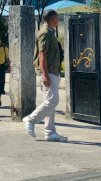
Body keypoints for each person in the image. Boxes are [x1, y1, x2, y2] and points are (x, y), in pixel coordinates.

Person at [22, 10, 68, 142]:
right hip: (48, 72)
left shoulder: (50, 32)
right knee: (53, 101)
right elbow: (42, 55)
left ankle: (50, 132)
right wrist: (45, 74)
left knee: (50, 104)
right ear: (53, 19)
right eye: (57, 19)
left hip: (53, 72)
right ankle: (30, 119)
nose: (58, 21)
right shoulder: (45, 33)